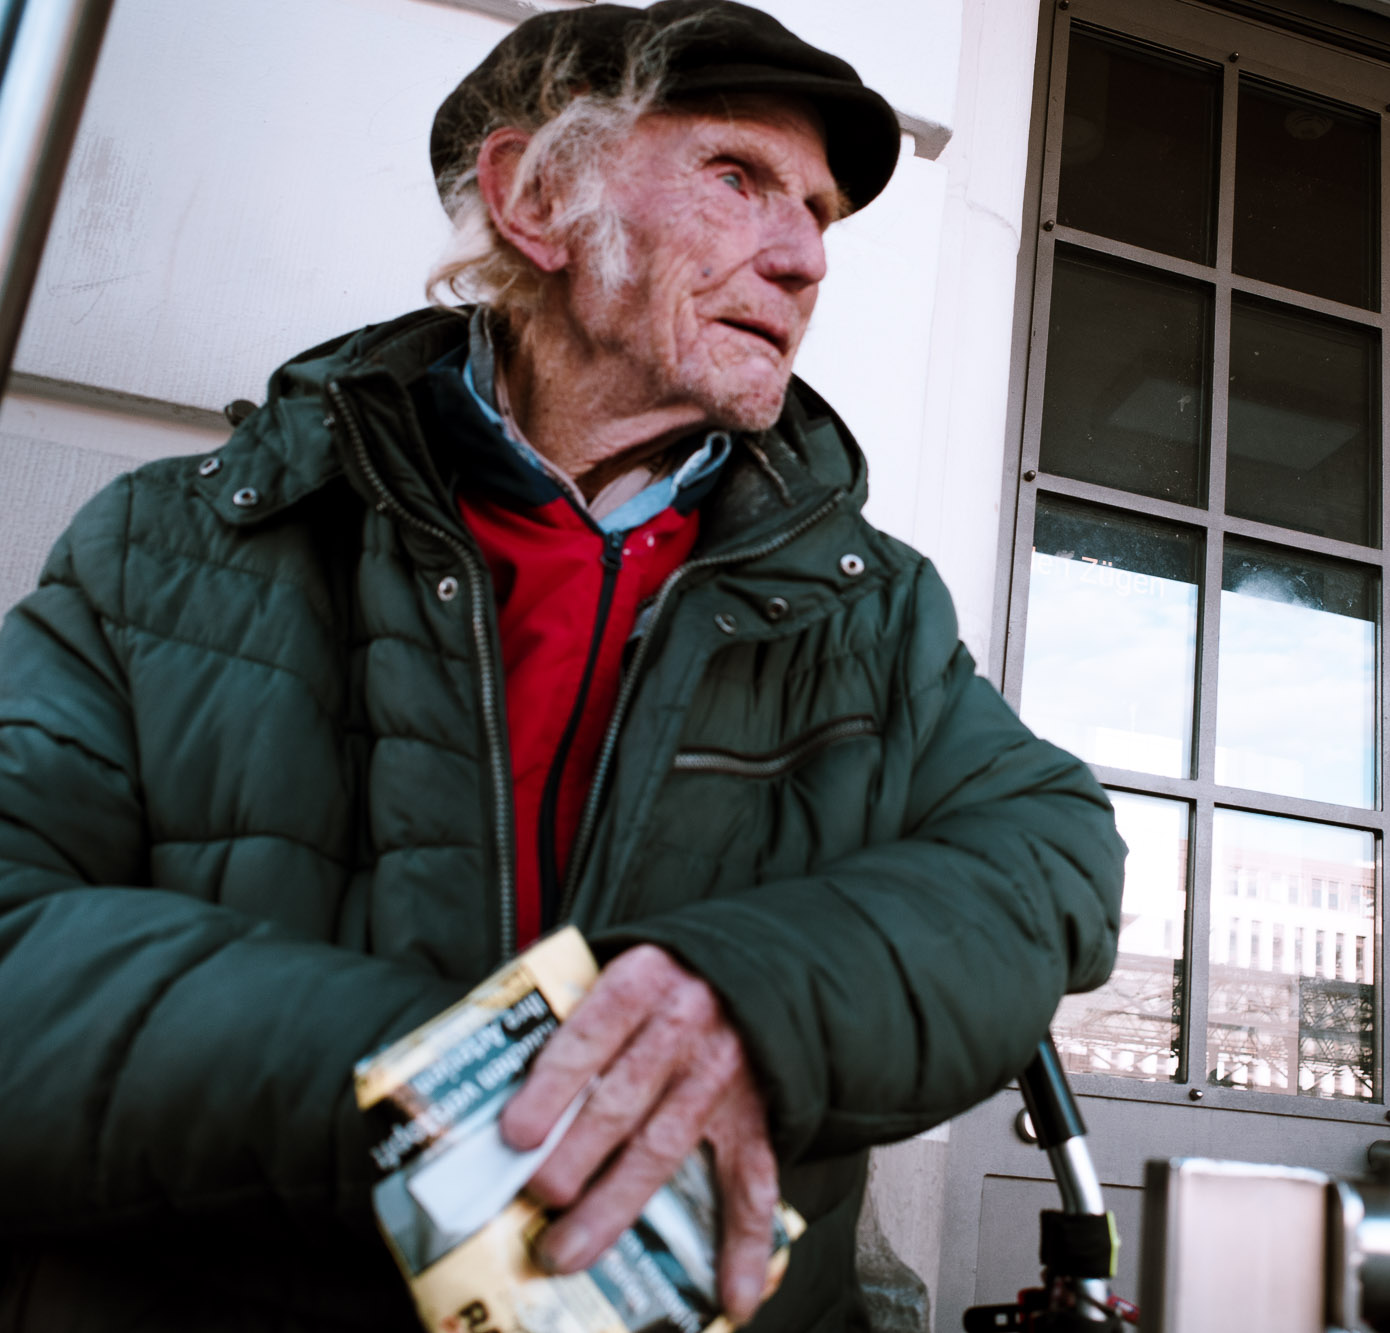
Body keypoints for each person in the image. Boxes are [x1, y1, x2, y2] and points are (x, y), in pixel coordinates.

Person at [0, 5, 1124, 1330]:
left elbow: (1053, 855)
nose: (806, 256)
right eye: (740, 178)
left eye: (819, 211)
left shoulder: (869, 608)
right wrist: (466, 1094)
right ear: (537, 200)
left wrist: (748, 1001)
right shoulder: (172, 545)